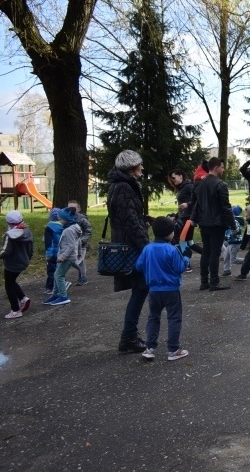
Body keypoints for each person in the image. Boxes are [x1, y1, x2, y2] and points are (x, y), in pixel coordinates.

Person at [107, 149, 151, 353]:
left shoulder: (120, 185)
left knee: (140, 289)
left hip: (128, 243)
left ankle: (130, 336)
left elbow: (130, 216)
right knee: (141, 289)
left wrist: (145, 221)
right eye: (140, 165)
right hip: (131, 246)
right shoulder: (124, 186)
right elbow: (130, 220)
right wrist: (146, 248)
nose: (142, 167)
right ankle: (128, 338)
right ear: (132, 168)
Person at [136, 216, 191, 362]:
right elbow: (180, 268)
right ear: (169, 233)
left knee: (153, 317)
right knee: (174, 318)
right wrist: (186, 258)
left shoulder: (147, 248)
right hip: (171, 289)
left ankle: (150, 348)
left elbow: (138, 266)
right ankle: (173, 349)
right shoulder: (171, 250)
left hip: (153, 290)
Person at [191, 156, 237, 291]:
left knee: (206, 251)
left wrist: (193, 219)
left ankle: (204, 282)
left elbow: (197, 205)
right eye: (222, 167)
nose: (223, 170)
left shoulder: (199, 184)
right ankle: (214, 282)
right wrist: (233, 225)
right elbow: (226, 207)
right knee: (214, 254)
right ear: (216, 167)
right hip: (217, 223)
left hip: (204, 222)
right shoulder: (220, 184)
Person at [0, 210, 34, 319]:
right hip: (23, 261)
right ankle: (23, 298)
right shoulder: (26, 231)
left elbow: (4, 252)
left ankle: (15, 310)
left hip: (12, 264)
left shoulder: (9, 235)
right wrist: (28, 258)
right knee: (12, 281)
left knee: (9, 285)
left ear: (7, 222)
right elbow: (30, 248)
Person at [44, 206, 82, 306]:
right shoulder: (72, 228)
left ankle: (63, 296)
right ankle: (56, 294)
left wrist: (62, 257)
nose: (59, 221)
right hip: (67, 256)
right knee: (57, 274)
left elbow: (71, 245)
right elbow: (76, 243)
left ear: (66, 219)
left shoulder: (69, 230)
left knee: (58, 275)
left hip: (67, 257)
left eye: (60, 219)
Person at [170, 168, 202, 268]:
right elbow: (182, 206)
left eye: (174, 178)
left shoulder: (189, 186)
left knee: (182, 240)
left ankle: (186, 265)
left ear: (181, 176)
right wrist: (175, 216)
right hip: (184, 217)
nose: (173, 180)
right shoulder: (181, 188)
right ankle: (207, 255)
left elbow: (197, 200)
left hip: (189, 218)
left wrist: (188, 205)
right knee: (189, 242)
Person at [66, 199, 92, 286]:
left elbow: (88, 230)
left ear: (79, 209)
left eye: (73, 208)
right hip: (70, 244)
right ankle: (83, 272)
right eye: (69, 208)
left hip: (81, 245)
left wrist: (82, 240)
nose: (71, 210)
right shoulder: (67, 218)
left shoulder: (82, 219)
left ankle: (83, 278)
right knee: (73, 261)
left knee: (78, 261)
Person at [43, 208, 63, 297]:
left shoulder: (49, 228)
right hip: (62, 252)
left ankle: (50, 287)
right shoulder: (63, 226)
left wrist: (48, 254)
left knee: (51, 270)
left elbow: (48, 242)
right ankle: (59, 287)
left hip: (53, 253)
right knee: (59, 270)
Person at [221, 205, 245, 276]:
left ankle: (249, 261)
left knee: (233, 259)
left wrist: (228, 236)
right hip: (230, 242)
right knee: (226, 256)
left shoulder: (235, 221)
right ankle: (227, 270)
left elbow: (235, 230)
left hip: (235, 242)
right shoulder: (232, 219)